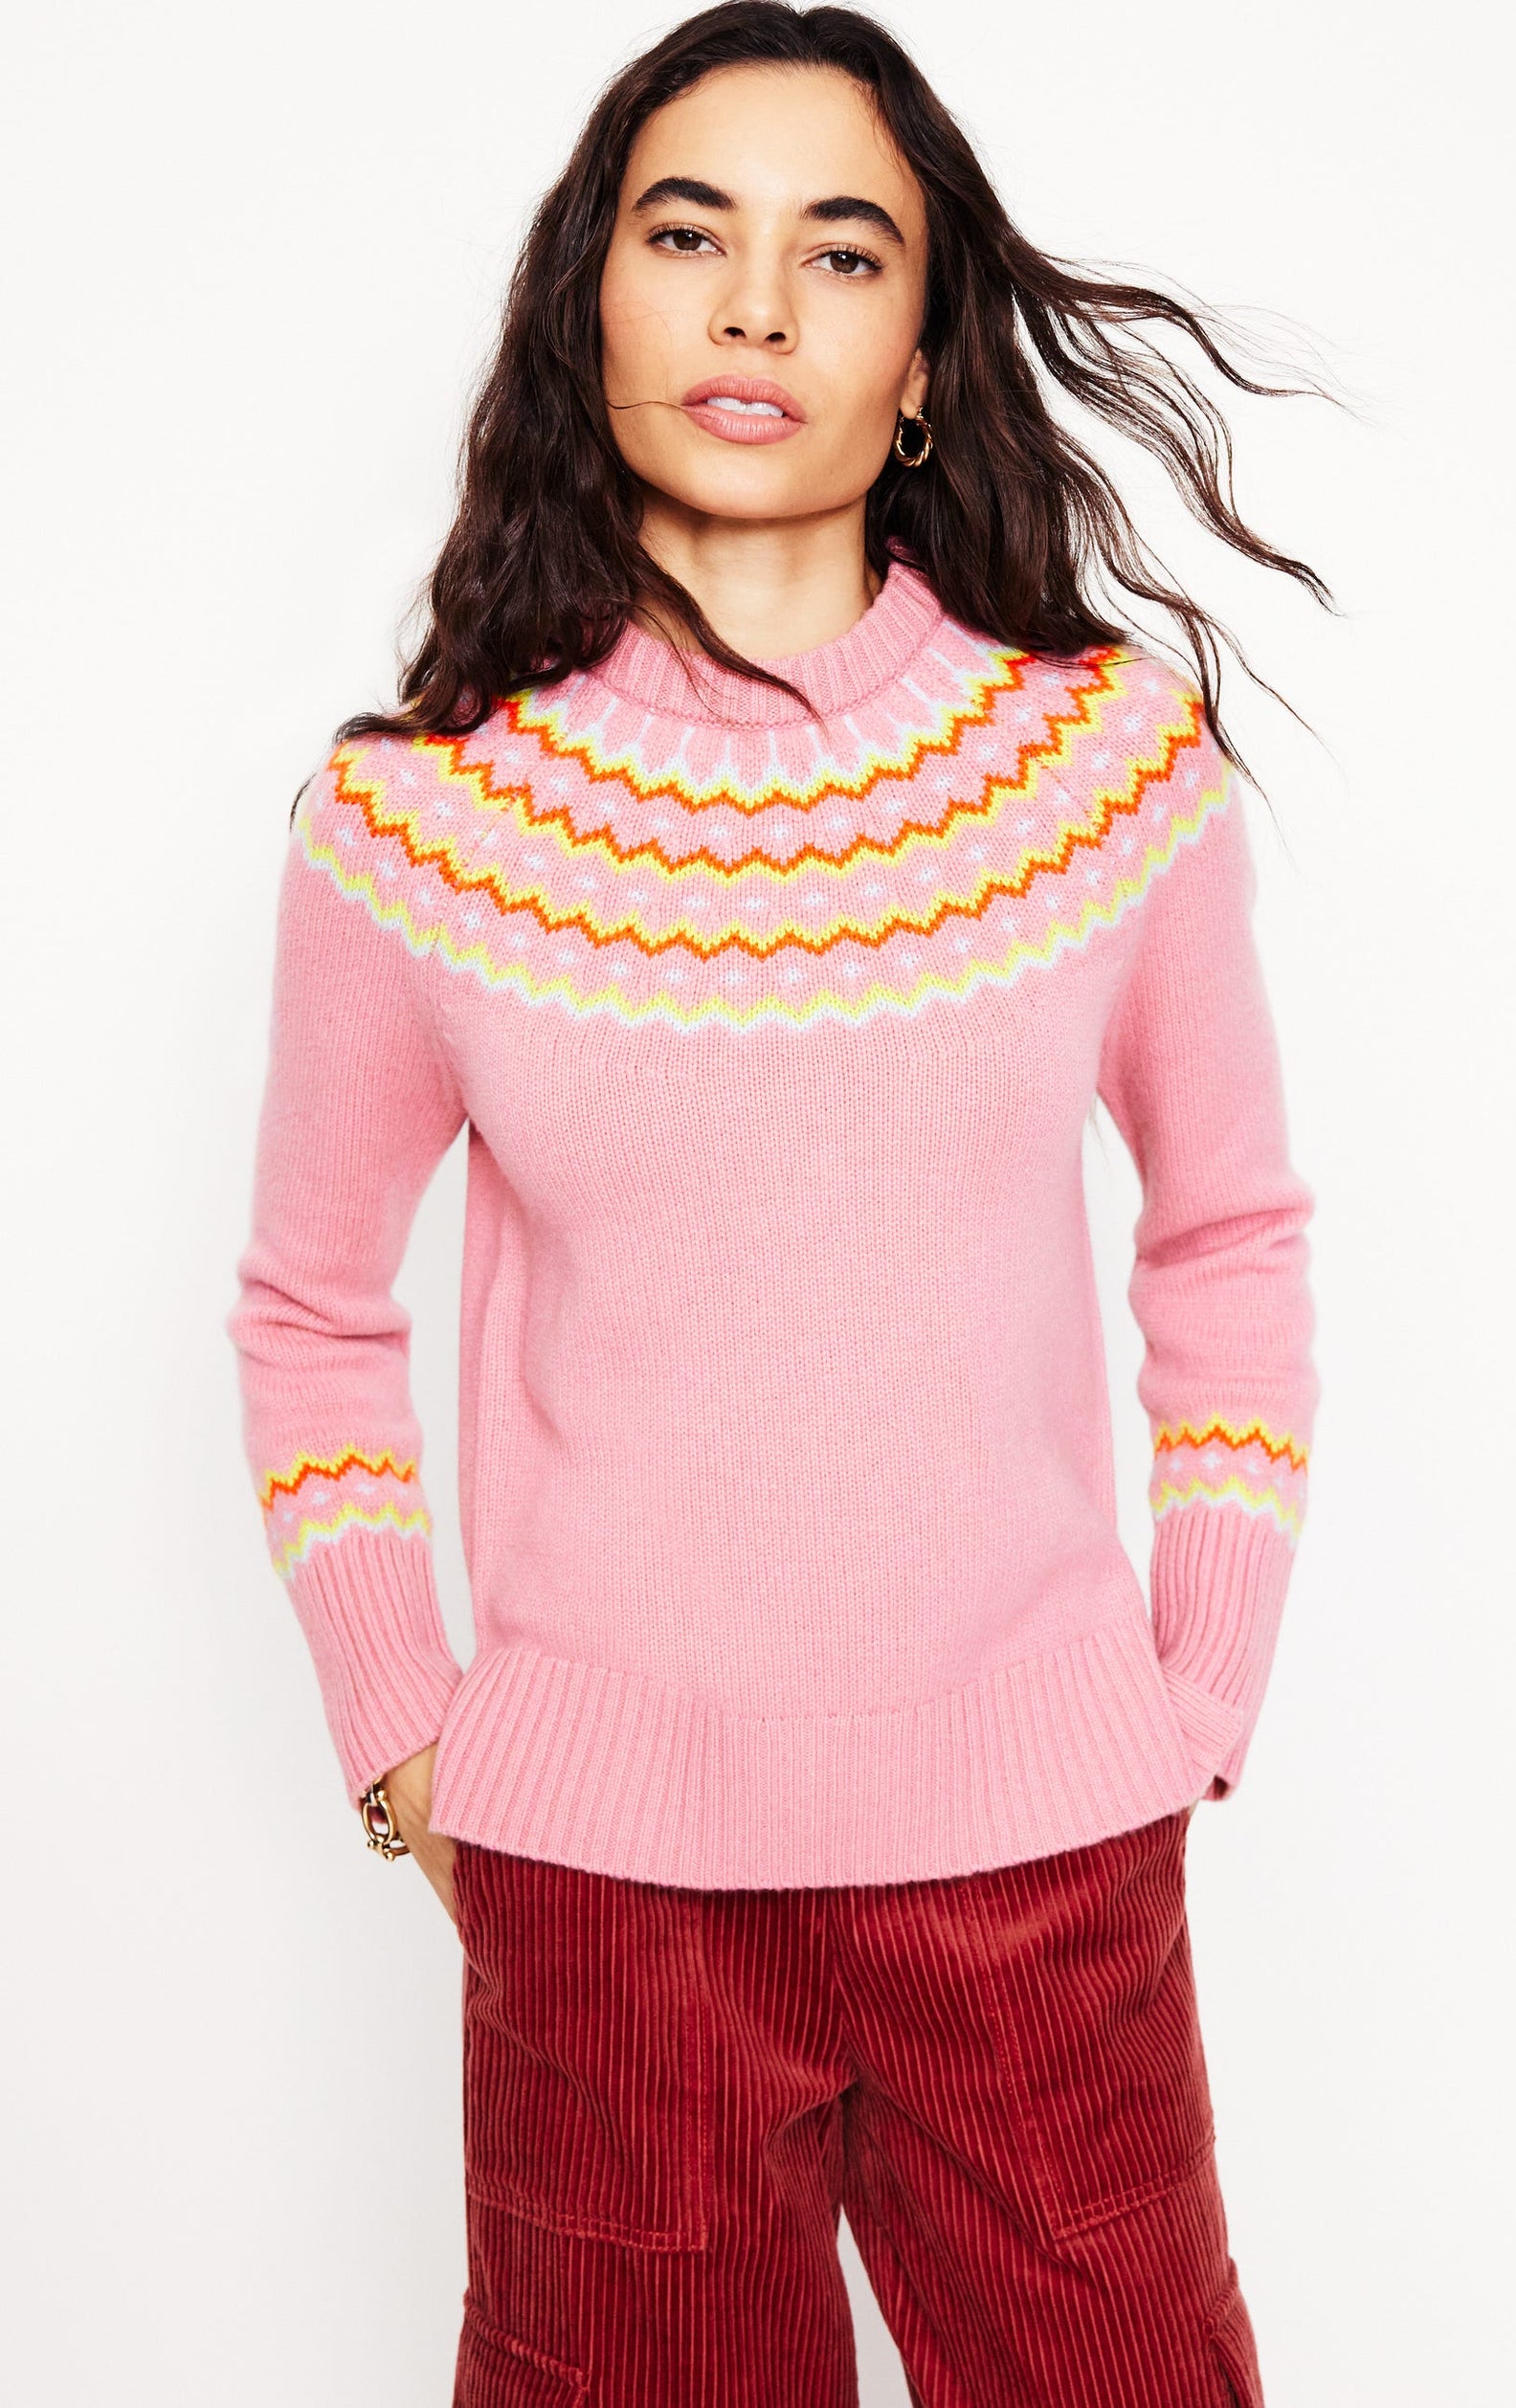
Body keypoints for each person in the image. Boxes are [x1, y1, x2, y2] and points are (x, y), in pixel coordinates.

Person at [227, 6, 1328, 2401]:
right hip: (604, 1905)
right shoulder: (422, 826)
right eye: (685, 235)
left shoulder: (1097, 764)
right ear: (587, 303)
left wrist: (1196, 1679)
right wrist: (401, 1719)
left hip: (1042, 1866)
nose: (753, 306)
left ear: (919, 361)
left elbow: (1227, 1231)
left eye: (840, 252)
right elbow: (309, 1308)